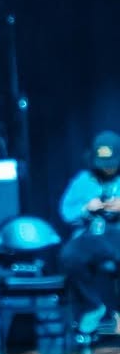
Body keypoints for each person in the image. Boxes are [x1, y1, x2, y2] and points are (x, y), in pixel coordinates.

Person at [59, 130, 120, 339]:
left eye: (112, 162)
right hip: (92, 236)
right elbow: (66, 212)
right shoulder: (83, 180)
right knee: (70, 256)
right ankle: (93, 306)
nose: (107, 168)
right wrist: (86, 208)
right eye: (103, 163)